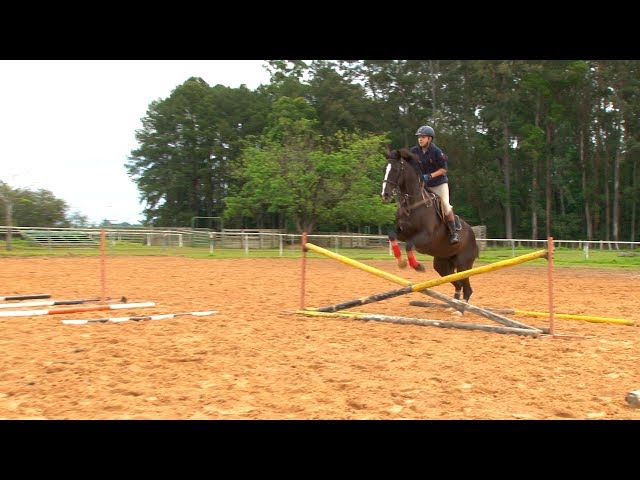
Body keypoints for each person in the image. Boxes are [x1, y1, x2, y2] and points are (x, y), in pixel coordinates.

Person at [410, 125, 459, 244]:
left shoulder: (436, 152)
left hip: (439, 184)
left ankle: (454, 233)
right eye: (419, 137)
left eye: (423, 137)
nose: (420, 139)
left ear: (430, 139)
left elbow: (444, 169)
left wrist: (430, 175)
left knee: (446, 205)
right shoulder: (414, 151)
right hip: (424, 185)